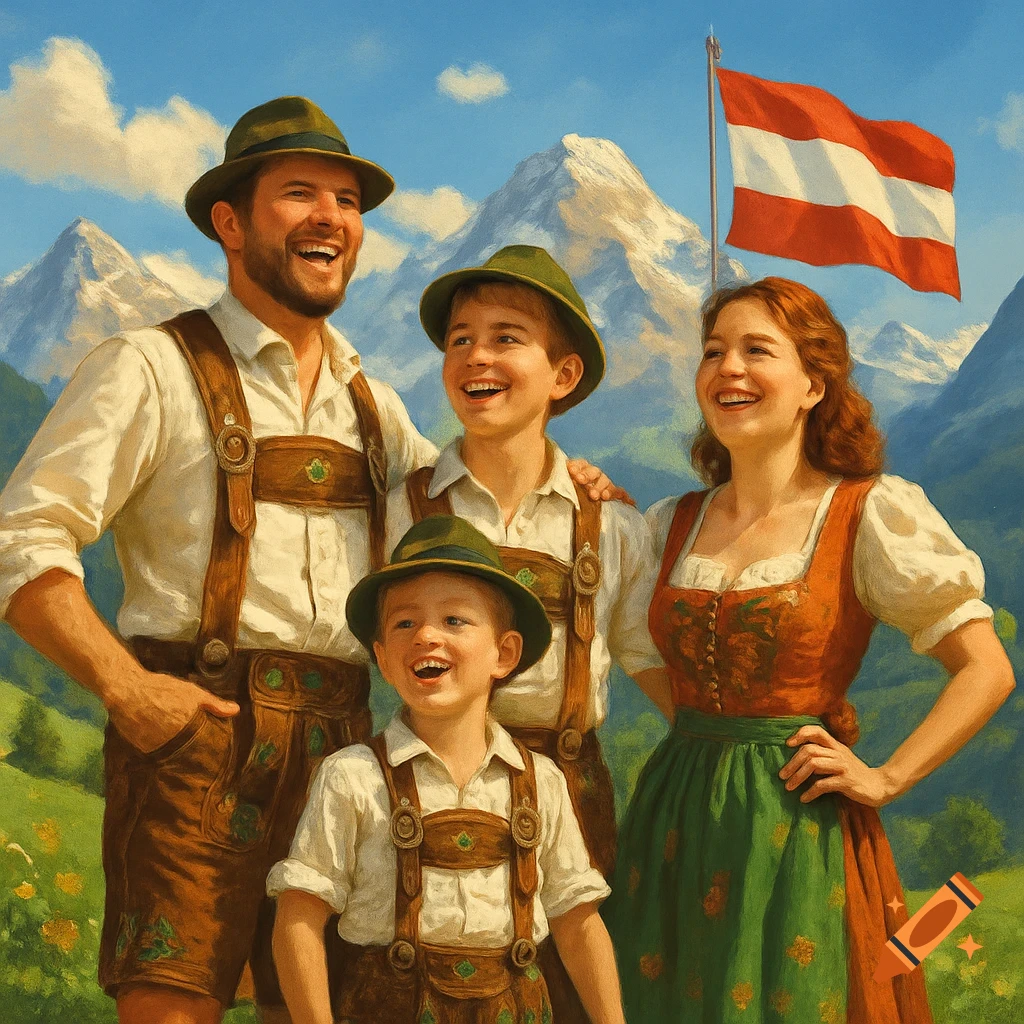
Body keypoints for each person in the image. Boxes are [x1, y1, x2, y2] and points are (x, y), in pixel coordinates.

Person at [603, 277, 1015, 1023]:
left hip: (799, 826)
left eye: (756, 350)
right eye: (713, 352)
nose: (728, 368)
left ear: (813, 384)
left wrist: (885, 777)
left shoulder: (867, 510)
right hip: (676, 819)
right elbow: (635, 644)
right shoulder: (670, 522)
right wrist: (708, 729)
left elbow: (986, 668)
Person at [387, 245, 672, 1019]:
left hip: (571, 798)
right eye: (459, 338)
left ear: (564, 376)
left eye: (507, 337)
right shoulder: (402, 507)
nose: (477, 354)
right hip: (423, 795)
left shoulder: (611, 524)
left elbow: (645, 655)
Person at [269, 514, 626, 1024]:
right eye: (405, 623)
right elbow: (299, 917)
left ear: (504, 653)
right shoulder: (351, 777)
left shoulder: (541, 781)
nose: (427, 637)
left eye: (454, 620)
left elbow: (577, 921)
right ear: (384, 659)